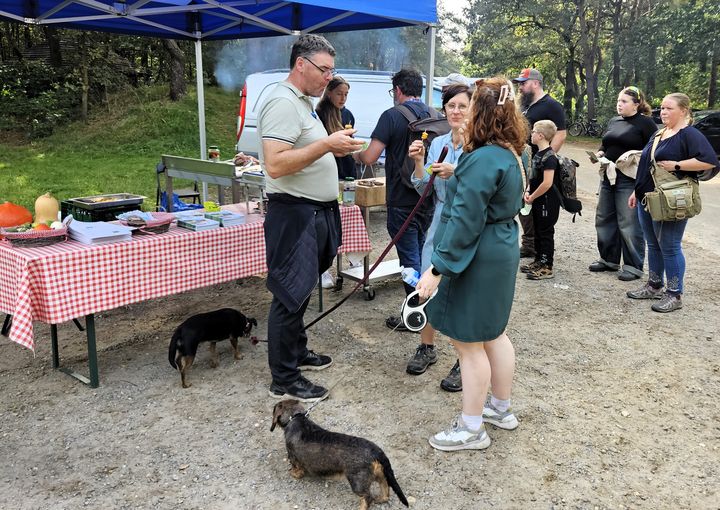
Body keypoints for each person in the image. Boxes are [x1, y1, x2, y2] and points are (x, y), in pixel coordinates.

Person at [415, 77, 527, 451]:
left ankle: (471, 428)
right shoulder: (510, 150)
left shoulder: (481, 159)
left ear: (482, 111)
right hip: (501, 245)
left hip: (480, 253)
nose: (463, 113)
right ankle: (500, 408)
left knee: (467, 343)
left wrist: (436, 268)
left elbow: (464, 222)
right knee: (494, 332)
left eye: (472, 105)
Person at [259, 34, 364, 402]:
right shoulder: (281, 101)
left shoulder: (304, 103)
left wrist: (334, 145)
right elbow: (275, 162)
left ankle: (296, 351)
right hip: (295, 214)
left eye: (331, 70)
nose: (328, 78)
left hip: (316, 211)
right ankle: (284, 379)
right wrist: (327, 145)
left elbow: (305, 152)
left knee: (303, 290)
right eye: (324, 69)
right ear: (300, 64)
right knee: (289, 293)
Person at [353, 69, 436, 331]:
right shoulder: (435, 115)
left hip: (401, 200)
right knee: (423, 256)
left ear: (398, 90)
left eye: (393, 91)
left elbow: (369, 157)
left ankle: (415, 316)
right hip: (428, 196)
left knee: (409, 261)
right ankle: (425, 310)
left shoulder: (391, 116)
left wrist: (355, 153)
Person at [406, 83, 473, 389]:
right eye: (451, 106)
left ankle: (465, 359)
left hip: (469, 225)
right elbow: (426, 190)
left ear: (473, 108)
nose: (456, 111)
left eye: (462, 105)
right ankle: (427, 347)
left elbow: (481, 191)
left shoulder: (482, 145)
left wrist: (456, 172)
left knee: (464, 293)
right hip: (440, 222)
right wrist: (419, 163)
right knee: (426, 286)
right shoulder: (439, 142)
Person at [627, 92, 718, 313]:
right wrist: (635, 191)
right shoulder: (659, 133)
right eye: (662, 108)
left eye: (669, 108)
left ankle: (675, 294)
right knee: (653, 244)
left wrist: (678, 165)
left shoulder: (690, 134)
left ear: (683, 111)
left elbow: (709, 161)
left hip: (671, 201)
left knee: (669, 245)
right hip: (647, 198)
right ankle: (654, 285)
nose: (663, 112)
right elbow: (645, 166)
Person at [588, 86, 657, 281]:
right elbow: (606, 143)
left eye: (624, 101)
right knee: (604, 218)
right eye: (618, 100)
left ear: (636, 104)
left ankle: (633, 266)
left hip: (629, 178)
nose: (619, 104)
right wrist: (600, 153)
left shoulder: (646, 124)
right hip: (608, 175)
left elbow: (652, 151)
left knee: (629, 221)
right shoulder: (614, 121)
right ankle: (608, 259)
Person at [512, 68, 567, 259]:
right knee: (523, 202)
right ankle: (529, 243)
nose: (520, 87)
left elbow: (560, 133)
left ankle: (537, 247)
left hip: (537, 164)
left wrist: (546, 158)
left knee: (533, 201)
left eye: (523, 83)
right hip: (522, 161)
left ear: (535, 83)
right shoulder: (524, 106)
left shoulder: (552, 105)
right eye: (519, 83)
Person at [316, 75, 356, 289]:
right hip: (327, 172)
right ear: (329, 92)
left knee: (349, 215)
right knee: (328, 223)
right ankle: (322, 270)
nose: (343, 98)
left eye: (346, 94)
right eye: (339, 93)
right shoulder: (320, 114)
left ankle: (353, 258)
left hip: (347, 171)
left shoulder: (347, 114)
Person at [520, 120, 561, 280]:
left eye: (533, 132)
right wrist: (528, 191)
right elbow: (534, 177)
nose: (531, 134)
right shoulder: (538, 154)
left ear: (541, 135)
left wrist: (533, 196)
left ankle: (547, 266)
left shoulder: (550, 157)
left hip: (547, 202)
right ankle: (538, 260)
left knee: (545, 233)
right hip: (537, 200)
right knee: (537, 230)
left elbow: (547, 183)